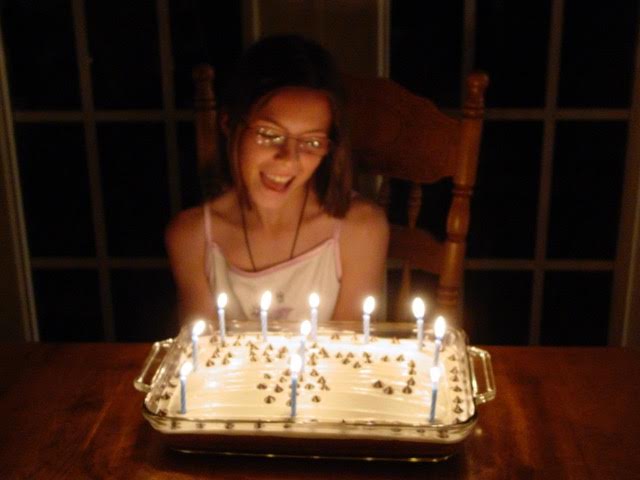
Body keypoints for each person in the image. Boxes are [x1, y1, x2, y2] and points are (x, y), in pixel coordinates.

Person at [166, 35, 388, 326]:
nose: (288, 159)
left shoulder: (359, 229)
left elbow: (349, 355)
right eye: (269, 134)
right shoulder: (192, 237)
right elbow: (201, 356)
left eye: (312, 142)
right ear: (229, 123)